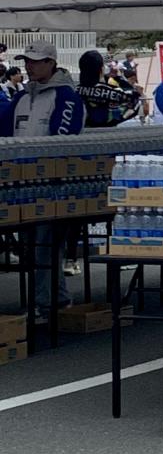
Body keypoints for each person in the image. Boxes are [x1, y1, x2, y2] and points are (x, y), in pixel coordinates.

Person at [2, 40, 84, 318]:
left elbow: (64, 140)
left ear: (51, 62)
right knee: (32, 248)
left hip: (53, 185)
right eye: (27, 60)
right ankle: (56, 300)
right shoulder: (21, 97)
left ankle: (47, 304)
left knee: (45, 248)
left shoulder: (66, 97)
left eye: (35, 60)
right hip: (21, 185)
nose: (29, 65)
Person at [77, 49, 143, 128]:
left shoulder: (75, 91)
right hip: (106, 135)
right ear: (101, 69)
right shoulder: (113, 93)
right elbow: (135, 100)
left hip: (80, 134)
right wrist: (118, 78)